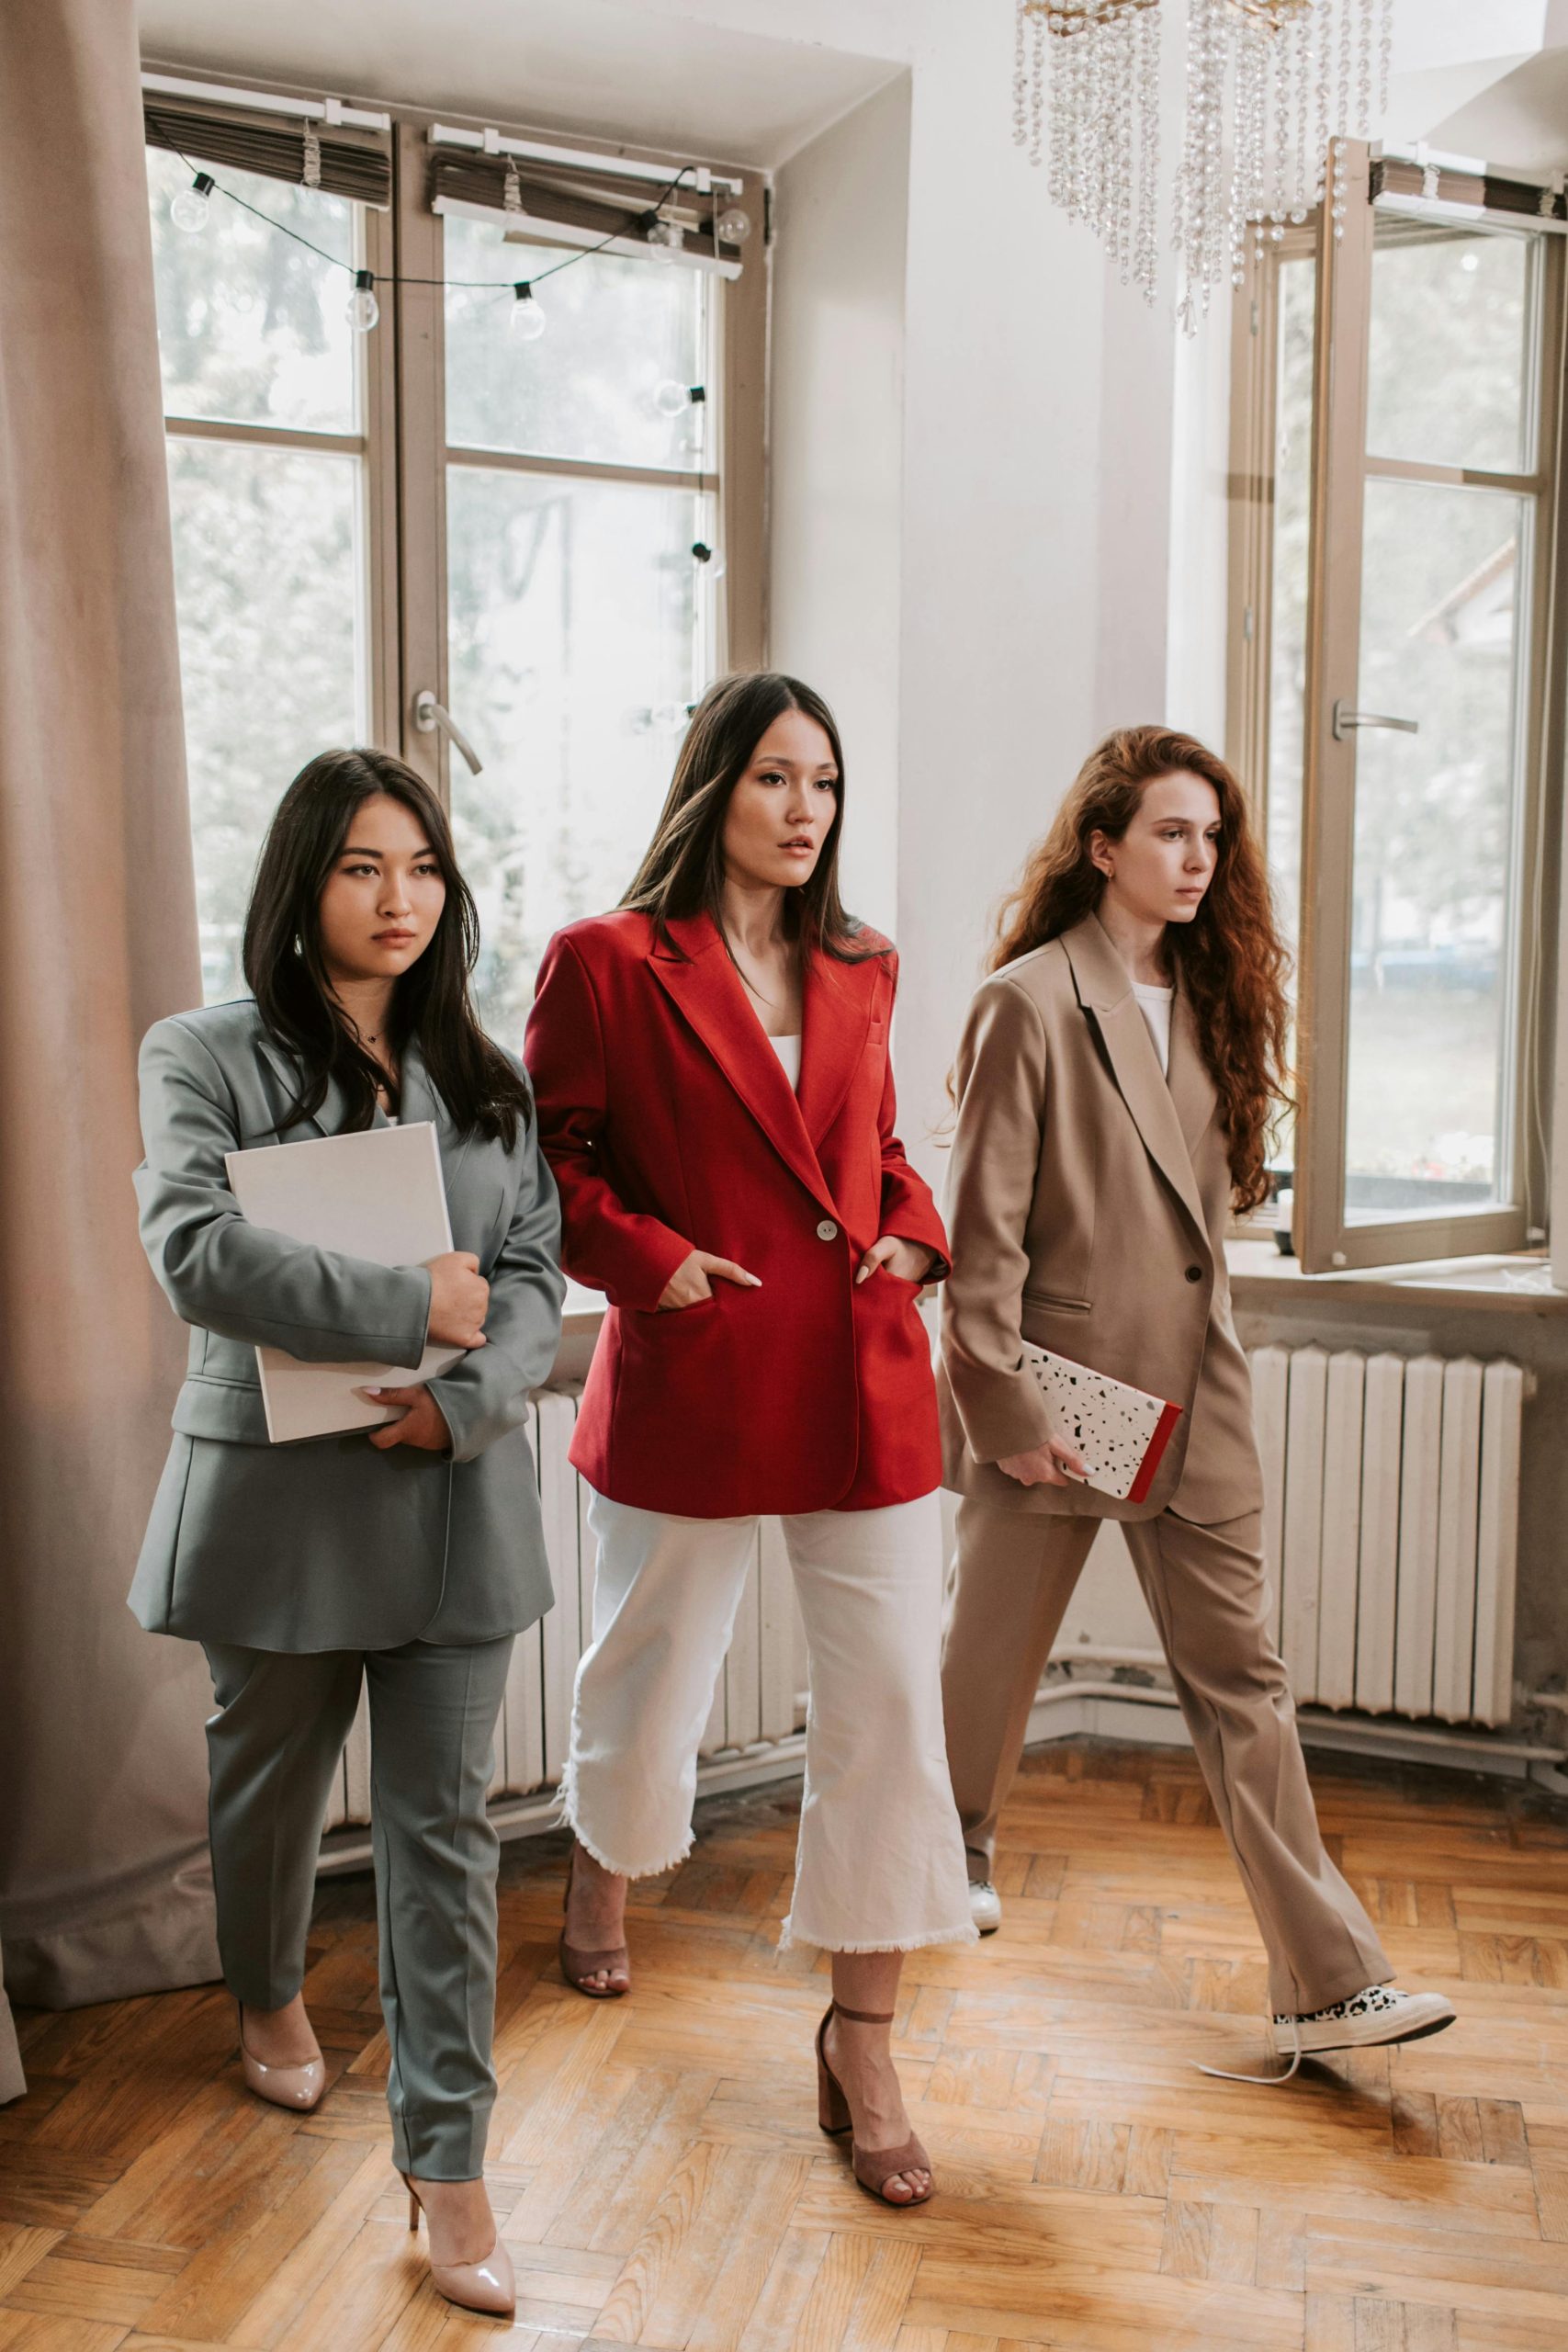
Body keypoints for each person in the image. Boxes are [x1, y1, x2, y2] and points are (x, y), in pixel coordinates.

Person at [938, 725, 1455, 2070]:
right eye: (1171, 832)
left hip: (1196, 1396)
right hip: (1055, 1391)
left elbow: (1202, 1220)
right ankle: (943, 1853)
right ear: (1102, 846)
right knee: (984, 1665)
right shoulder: (1029, 1001)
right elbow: (983, 1238)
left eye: (1211, 837)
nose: (1197, 859)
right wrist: (1002, 1410)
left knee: (1246, 1686)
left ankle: (1328, 1979)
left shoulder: (1219, 997)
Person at [524, 671, 973, 2206]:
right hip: (702, 1362)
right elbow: (555, 1167)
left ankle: (863, 2034)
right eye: (777, 778)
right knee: (653, 1669)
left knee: (893, 1707)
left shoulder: (865, 962)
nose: (805, 812)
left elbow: (885, 1149)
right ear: (715, 784)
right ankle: (604, 1866)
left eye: (827, 784)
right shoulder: (602, 962)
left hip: (861, 1368)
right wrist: (655, 1265)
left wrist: (916, 1236)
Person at [132, 748, 564, 2316]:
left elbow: (529, 1276)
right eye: (365, 868)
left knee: (444, 1841)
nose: (402, 899)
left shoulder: (489, 1073)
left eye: (426, 869)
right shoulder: (203, 1051)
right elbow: (195, 1248)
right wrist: (404, 1302)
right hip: (279, 1502)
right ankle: (262, 1995)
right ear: (303, 881)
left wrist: (469, 1398)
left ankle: (449, 2169)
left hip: (452, 1495)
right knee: (266, 1793)